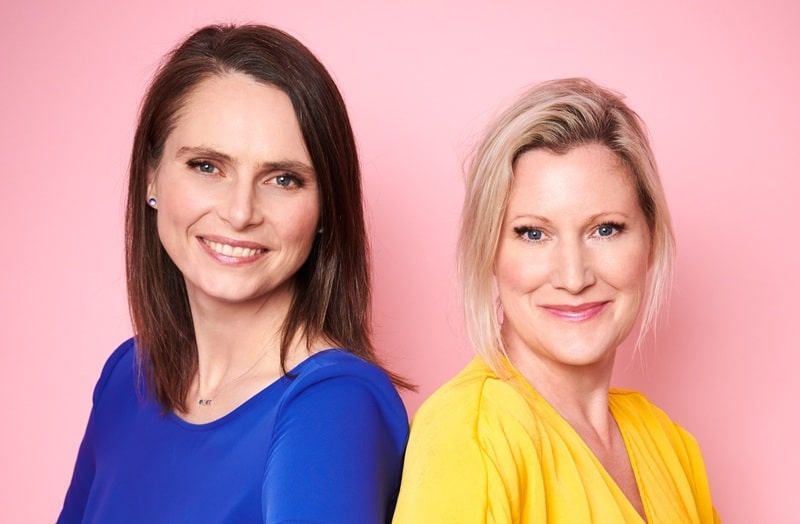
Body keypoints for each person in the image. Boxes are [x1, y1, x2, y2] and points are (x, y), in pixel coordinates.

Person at [57, 24, 409, 524]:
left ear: (325, 207)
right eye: (207, 166)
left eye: (283, 179)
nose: (241, 212)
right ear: (151, 177)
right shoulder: (126, 374)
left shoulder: (334, 405)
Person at [393, 78, 719, 523]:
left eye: (605, 229)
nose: (573, 277)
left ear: (651, 238)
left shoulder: (669, 444)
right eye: (533, 233)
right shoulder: (472, 435)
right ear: (489, 250)